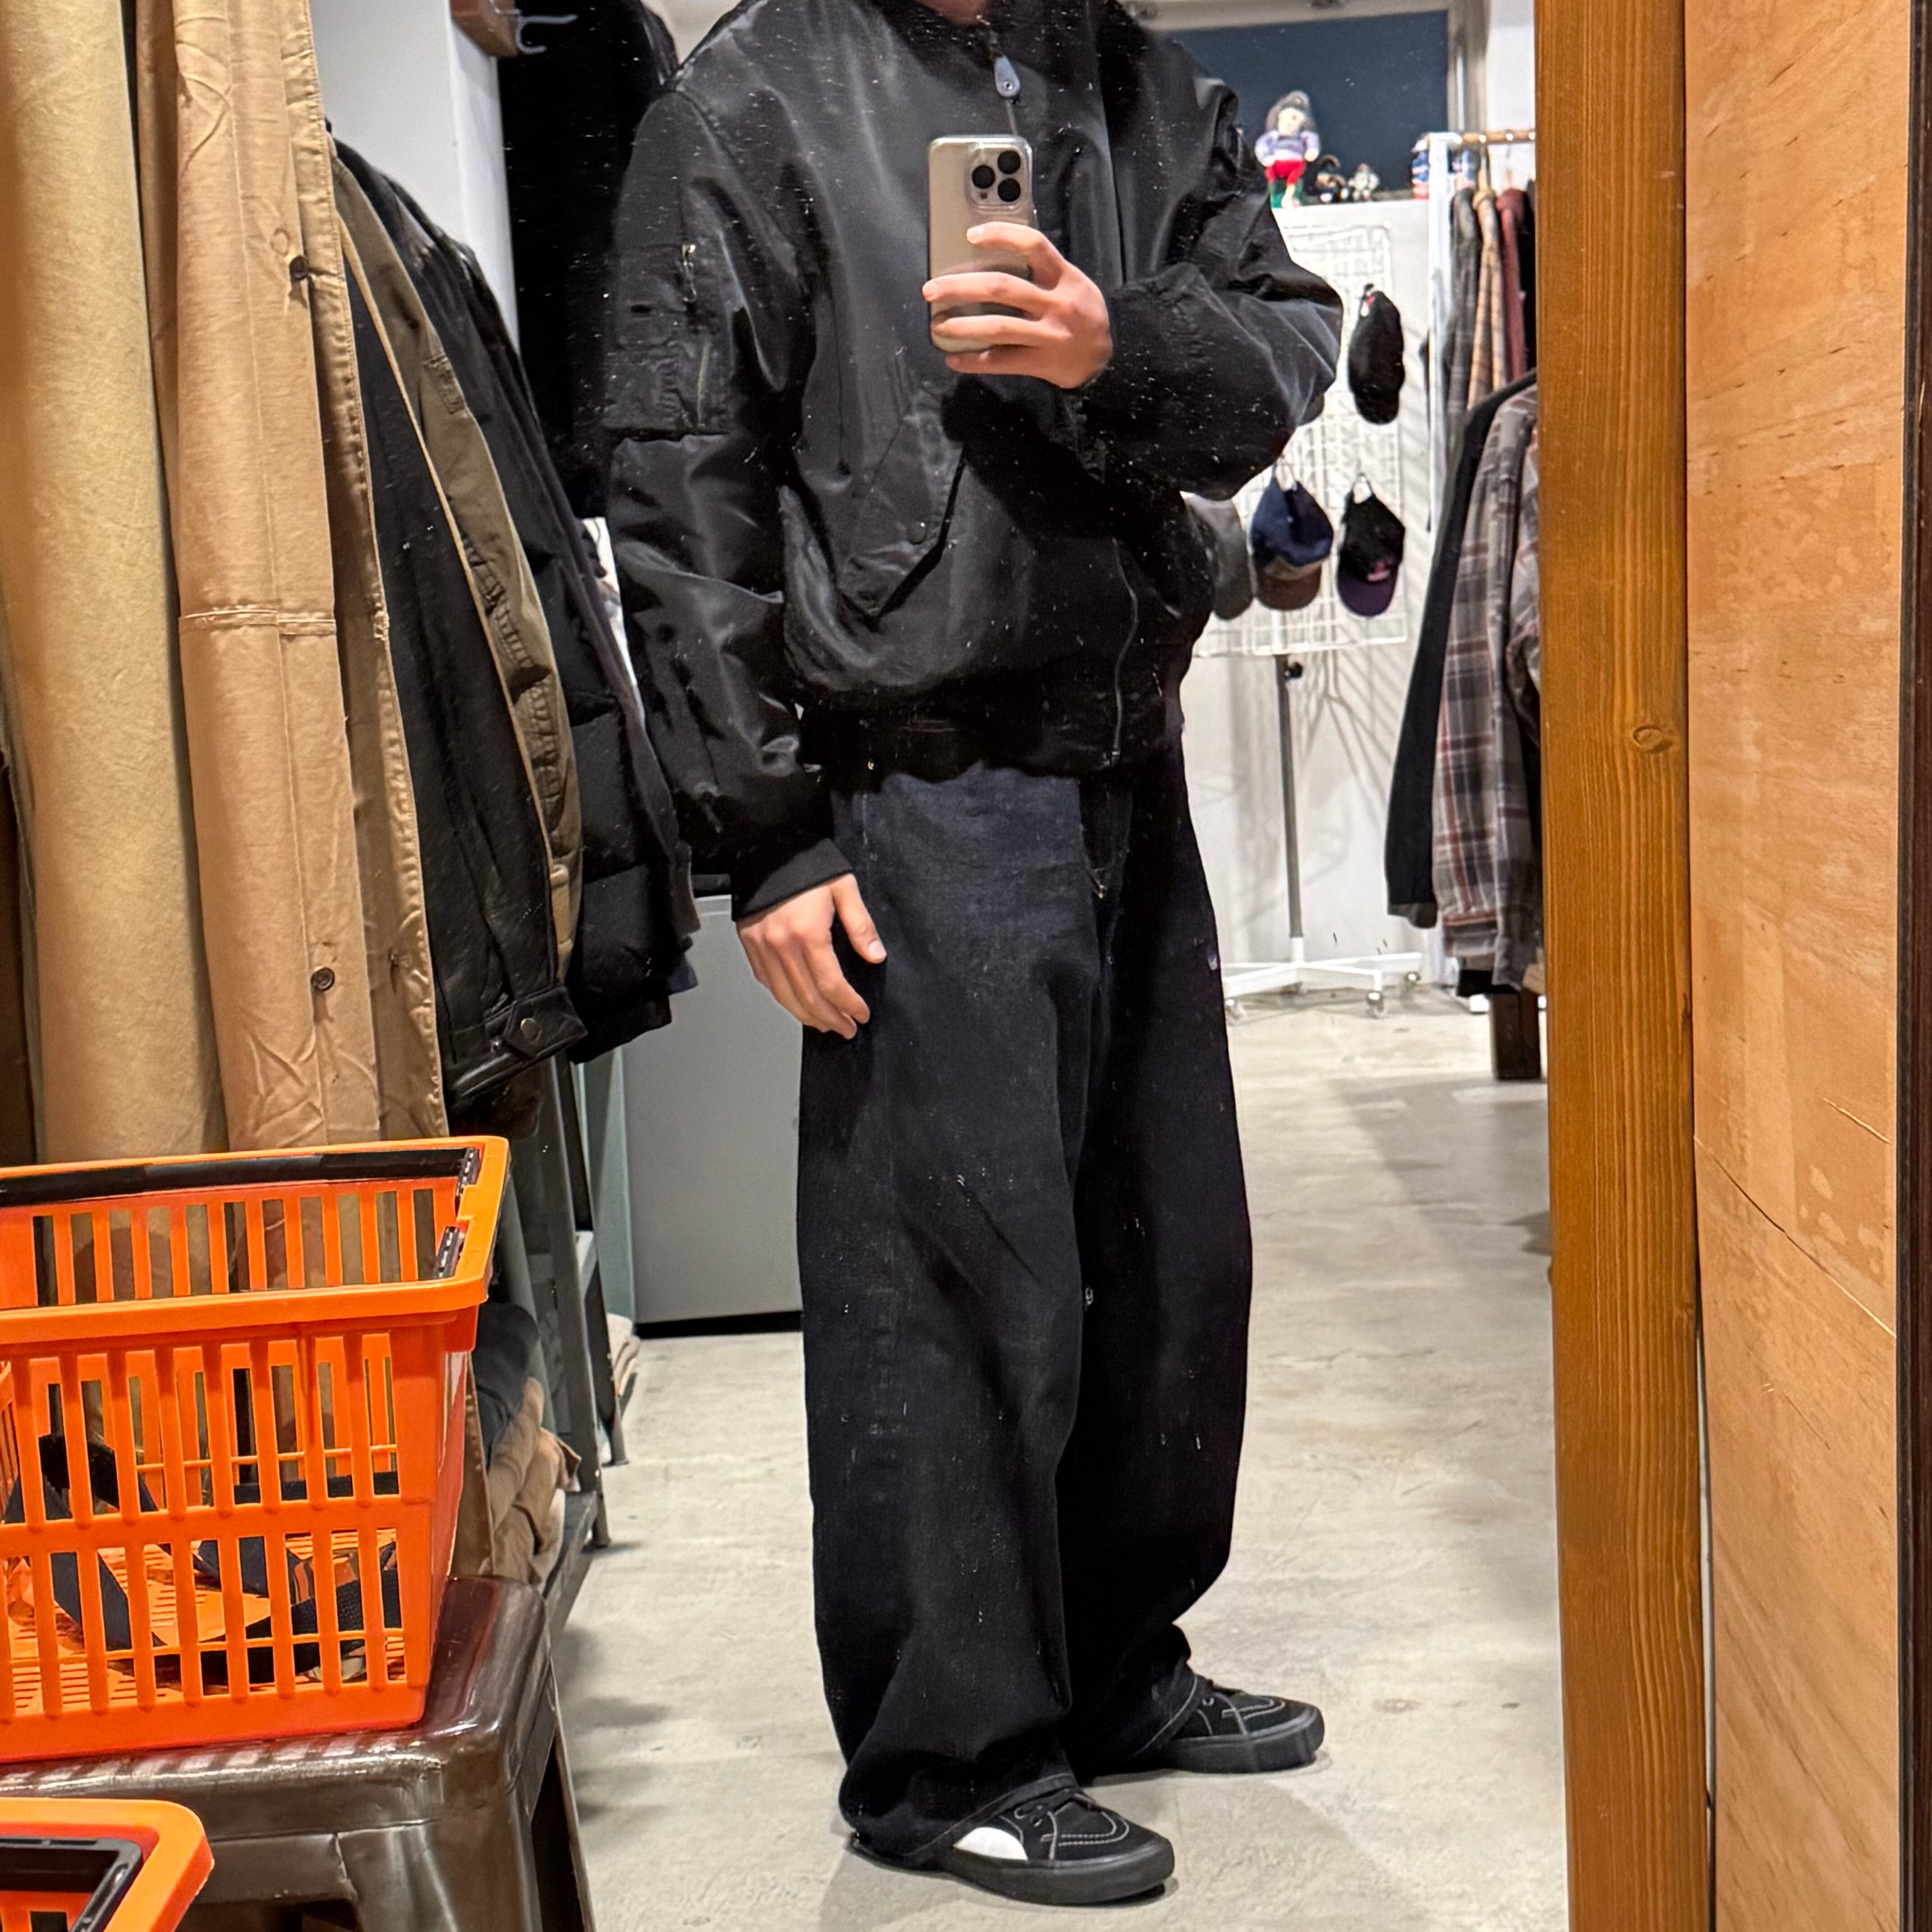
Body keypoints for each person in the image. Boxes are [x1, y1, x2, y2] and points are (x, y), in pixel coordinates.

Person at [607, 0, 1342, 1904]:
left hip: (1125, 755)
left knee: (1167, 1260)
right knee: (949, 1285)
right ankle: (949, 1759)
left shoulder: (1140, 80)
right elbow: (677, 485)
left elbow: (1283, 352)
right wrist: (765, 834)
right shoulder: (753, 100)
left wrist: (1117, 348)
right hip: (909, 781)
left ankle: (1113, 1669)